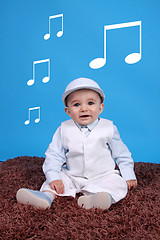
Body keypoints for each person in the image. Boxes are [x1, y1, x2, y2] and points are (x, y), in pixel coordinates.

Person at [16, 77, 137, 210]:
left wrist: (128, 175)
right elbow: (54, 155)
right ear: (68, 111)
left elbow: (122, 154)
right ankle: (46, 196)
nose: (84, 109)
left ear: (100, 108)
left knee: (116, 182)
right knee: (56, 180)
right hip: (73, 175)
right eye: (76, 105)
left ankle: (96, 198)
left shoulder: (108, 128)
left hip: (103, 175)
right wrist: (53, 177)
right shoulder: (64, 129)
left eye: (90, 103)